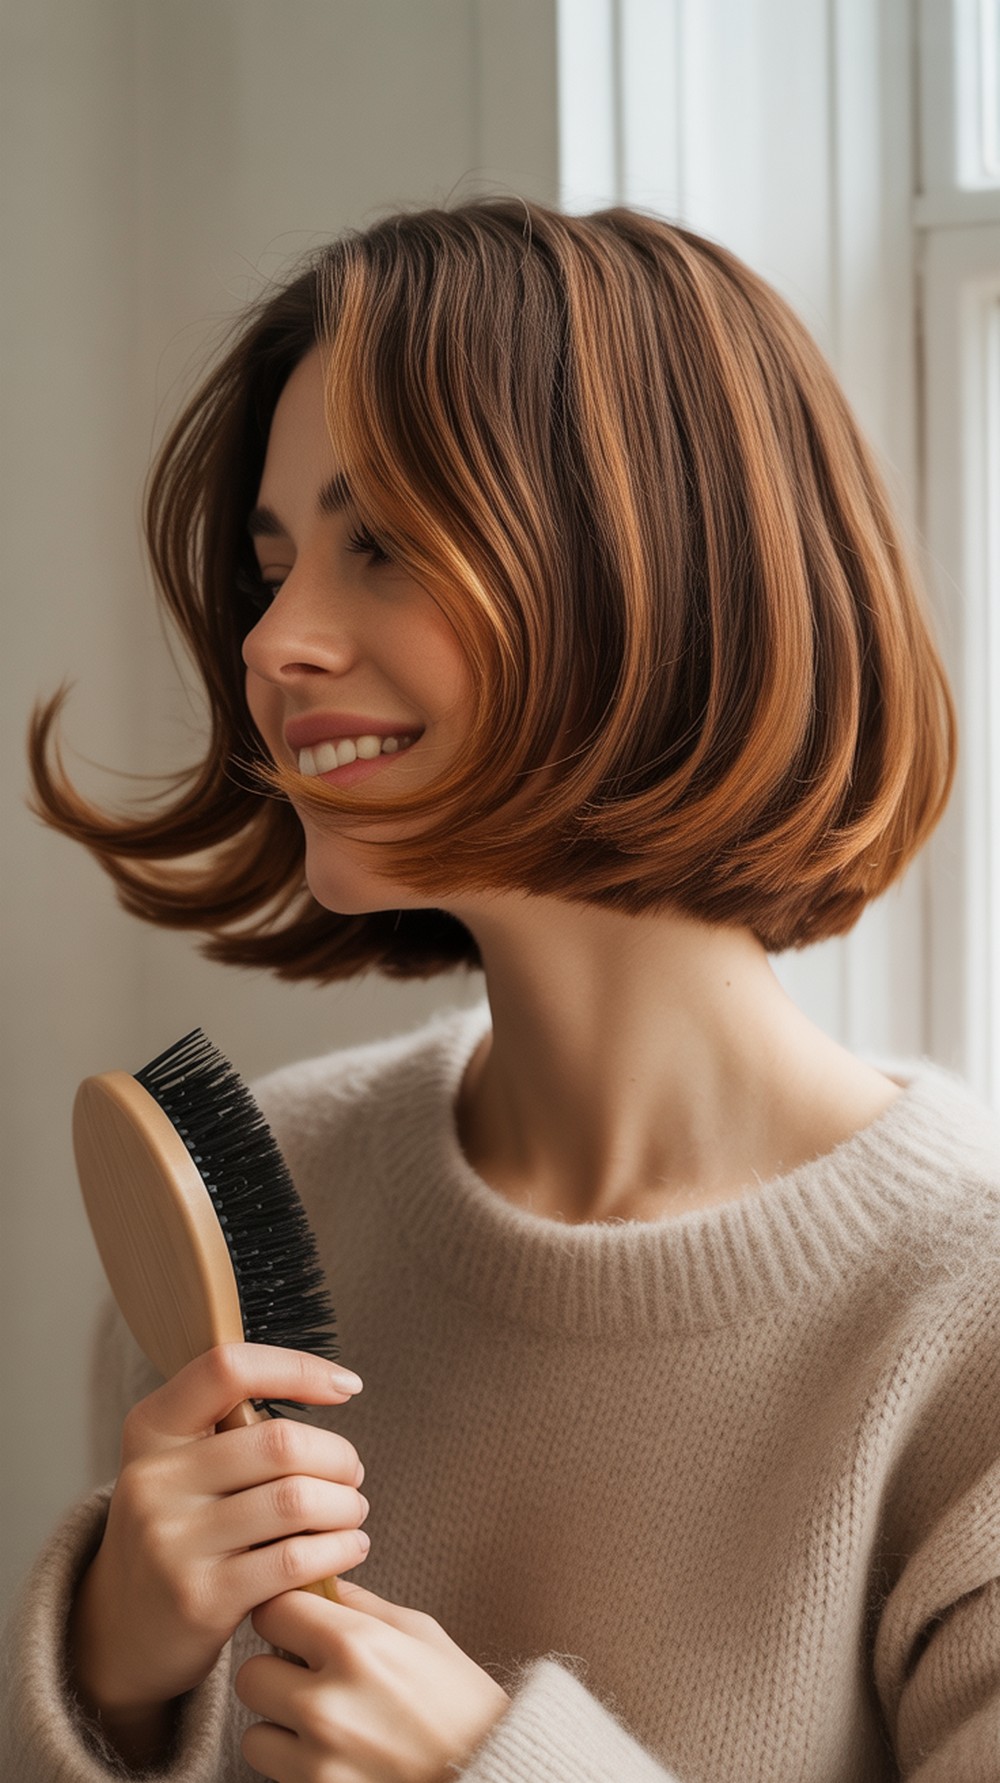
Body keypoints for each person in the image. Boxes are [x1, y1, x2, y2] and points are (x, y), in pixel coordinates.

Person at [3, 197, 998, 1782]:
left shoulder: (971, 1327)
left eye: (378, 544)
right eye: (271, 566)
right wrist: (114, 1683)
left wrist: (498, 1766)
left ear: (652, 569)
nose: (275, 642)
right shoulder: (269, 1195)